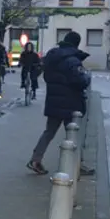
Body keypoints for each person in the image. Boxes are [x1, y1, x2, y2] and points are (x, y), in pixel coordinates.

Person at [27, 31, 91, 174]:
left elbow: (46, 76)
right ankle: (76, 165)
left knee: (49, 132)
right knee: (74, 136)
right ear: (76, 43)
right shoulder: (73, 60)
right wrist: (87, 77)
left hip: (54, 101)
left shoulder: (52, 56)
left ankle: (36, 159)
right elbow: (79, 80)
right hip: (71, 103)